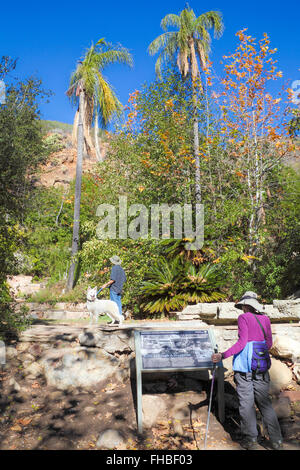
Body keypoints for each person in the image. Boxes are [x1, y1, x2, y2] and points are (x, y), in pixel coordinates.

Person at [211, 291, 283, 450]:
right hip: (261, 366)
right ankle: (277, 441)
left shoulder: (243, 317)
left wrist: (222, 355)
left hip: (244, 367)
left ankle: (251, 441)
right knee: (265, 404)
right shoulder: (265, 319)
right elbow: (269, 343)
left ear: (245, 305)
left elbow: (242, 343)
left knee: (246, 404)